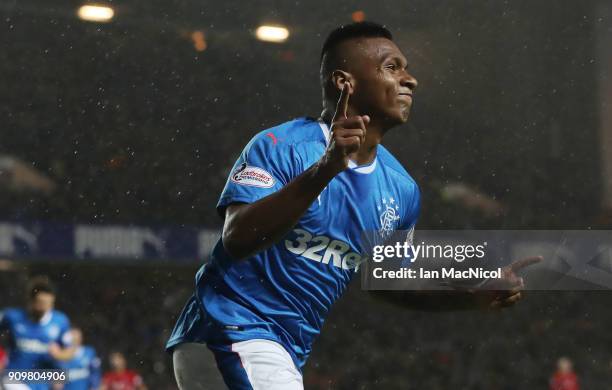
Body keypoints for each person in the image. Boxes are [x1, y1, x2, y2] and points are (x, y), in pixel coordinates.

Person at [166, 21, 539, 389]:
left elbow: (387, 282)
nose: (410, 79)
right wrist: (326, 169)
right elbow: (237, 237)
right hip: (229, 330)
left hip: (282, 350)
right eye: (392, 67)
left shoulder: (401, 189)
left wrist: (470, 295)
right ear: (344, 82)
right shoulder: (280, 146)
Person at [0, 276, 74, 390]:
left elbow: (69, 352)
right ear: (31, 301)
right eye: (41, 303)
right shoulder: (12, 317)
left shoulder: (60, 321)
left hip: (42, 381)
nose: (44, 307)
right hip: (14, 377)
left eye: (48, 303)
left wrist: (58, 355)